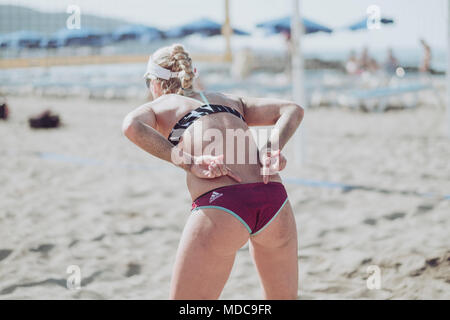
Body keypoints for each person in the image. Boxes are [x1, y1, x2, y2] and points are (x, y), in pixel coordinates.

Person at [122, 44, 304, 299]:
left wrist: (185, 160)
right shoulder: (228, 99)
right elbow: (292, 109)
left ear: (155, 84)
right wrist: (272, 148)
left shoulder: (165, 102)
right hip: (274, 198)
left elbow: (131, 126)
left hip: (224, 205)